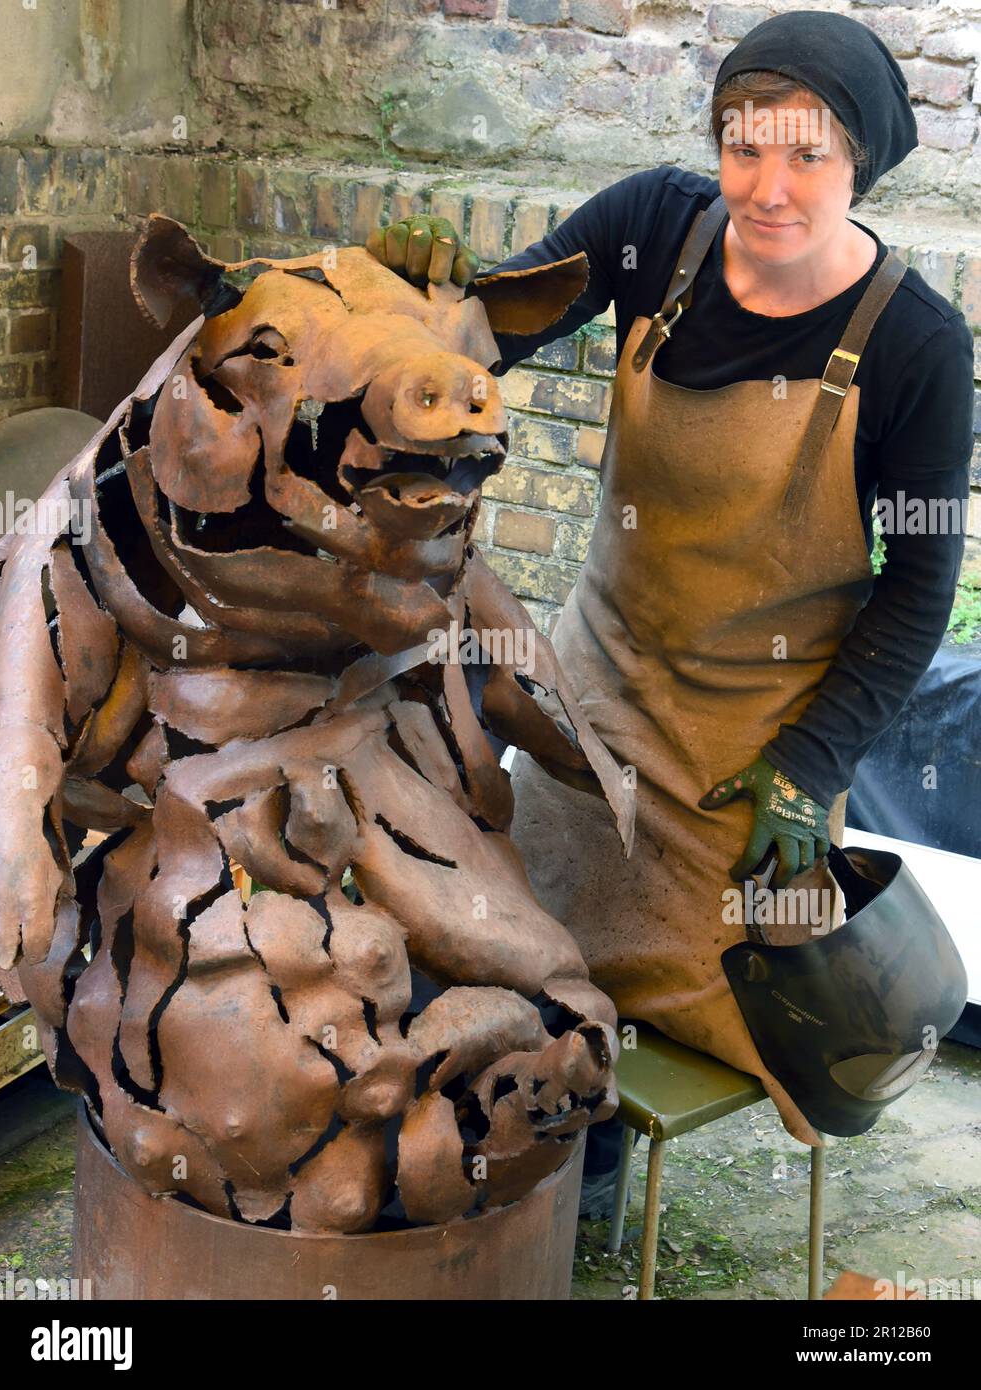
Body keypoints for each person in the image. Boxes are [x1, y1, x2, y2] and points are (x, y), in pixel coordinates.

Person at [366, 10, 975, 1213]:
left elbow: (918, 592)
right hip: (587, 710)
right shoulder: (655, 230)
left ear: (860, 165)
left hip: (744, 773)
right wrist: (418, 313)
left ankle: (573, 1181)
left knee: (752, 1011)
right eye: (745, 147)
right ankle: (548, 1177)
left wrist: (809, 767)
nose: (769, 186)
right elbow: (494, 332)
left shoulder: (914, 345)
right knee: (505, 965)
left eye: (809, 156)